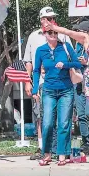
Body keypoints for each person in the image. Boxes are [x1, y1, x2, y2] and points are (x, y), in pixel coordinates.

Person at [23, 6, 72, 160]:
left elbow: (71, 57)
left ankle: (60, 150)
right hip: (42, 83)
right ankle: (42, 147)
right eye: (48, 18)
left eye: (53, 18)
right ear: (42, 19)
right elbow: (29, 62)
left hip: (62, 82)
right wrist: (28, 82)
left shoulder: (62, 34)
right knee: (42, 117)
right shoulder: (33, 36)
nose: (51, 20)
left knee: (62, 119)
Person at [32, 25, 81, 166]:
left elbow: (78, 63)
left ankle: (61, 155)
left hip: (66, 90)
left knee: (64, 123)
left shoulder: (65, 47)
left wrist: (65, 64)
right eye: (50, 32)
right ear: (44, 34)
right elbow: (36, 70)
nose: (53, 34)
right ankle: (46, 154)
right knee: (47, 123)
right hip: (48, 90)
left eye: (55, 32)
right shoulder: (40, 50)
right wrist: (35, 88)